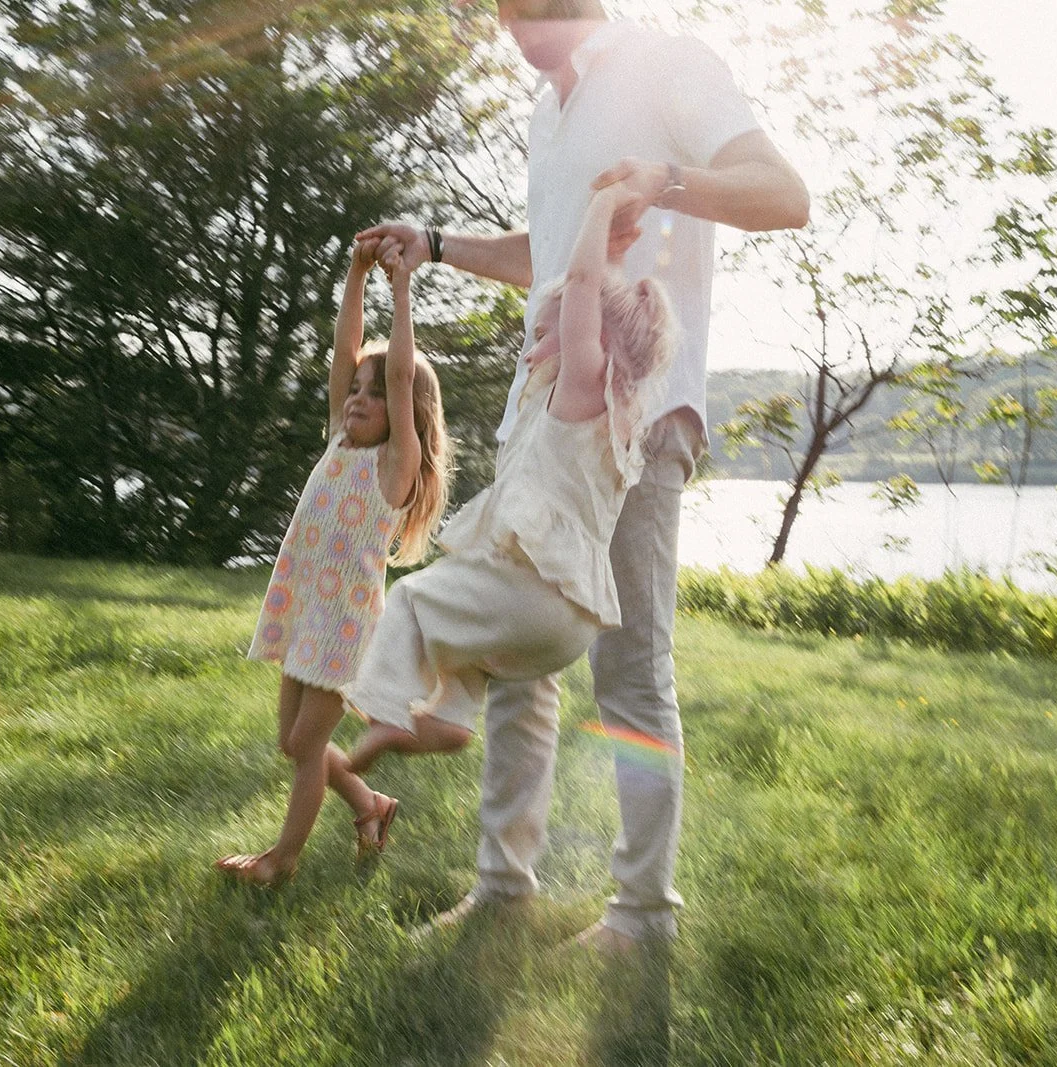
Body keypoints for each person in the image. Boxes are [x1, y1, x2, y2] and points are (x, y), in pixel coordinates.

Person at [357, 0, 808, 949]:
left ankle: (643, 914)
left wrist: (667, 179)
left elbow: (783, 194)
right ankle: (502, 888)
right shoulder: (546, 110)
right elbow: (548, 254)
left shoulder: (668, 63)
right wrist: (436, 245)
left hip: (633, 408)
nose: (511, 26)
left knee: (630, 665)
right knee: (521, 655)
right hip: (542, 412)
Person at [331, 183, 673, 837]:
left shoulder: (581, 389)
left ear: (589, 338)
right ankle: (450, 717)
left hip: (534, 592)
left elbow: (578, 286)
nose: (532, 344)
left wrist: (600, 205)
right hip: (564, 626)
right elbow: (581, 299)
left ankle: (388, 712)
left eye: (543, 331)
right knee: (463, 645)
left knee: (411, 603)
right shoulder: (619, 422)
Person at [216, 237, 452, 885]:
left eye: (374, 396)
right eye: (356, 391)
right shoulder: (341, 439)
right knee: (292, 742)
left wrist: (401, 286)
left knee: (304, 748)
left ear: (404, 414)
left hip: (345, 621)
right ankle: (372, 805)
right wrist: (354, 273)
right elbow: (345, 355)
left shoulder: (392, 464)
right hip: (305, 608)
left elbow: (399, 374)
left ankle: (280, 861)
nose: (358, 398)